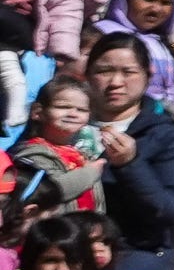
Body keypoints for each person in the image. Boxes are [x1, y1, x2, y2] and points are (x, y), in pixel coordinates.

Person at [80, 35, 174, 270]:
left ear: (148, 74)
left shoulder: (166, 136)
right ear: (86, 74)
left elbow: (172, 208)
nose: (115, 83)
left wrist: (130, 166)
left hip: (134, 252)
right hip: (60, 251)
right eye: (104, 71)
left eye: (128, 72)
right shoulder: (64, 121)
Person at [9, 75, 107, 219]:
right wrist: (90, 173)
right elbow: (48, 191)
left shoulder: (81, 155)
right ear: (37, 112)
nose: (73, 114)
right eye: (63, 107)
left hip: (84, 236)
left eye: (81, 110)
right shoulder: (30, 154)